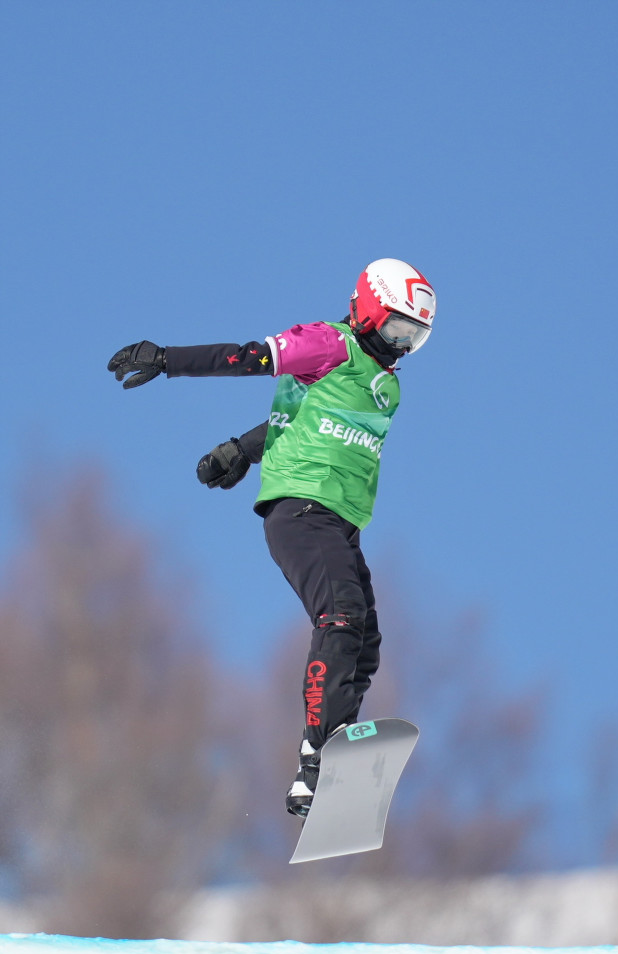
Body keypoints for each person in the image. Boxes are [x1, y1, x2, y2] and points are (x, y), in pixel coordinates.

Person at [108, 258, 437, 817]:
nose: (401, 345)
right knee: (340, 616)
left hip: (339, 520)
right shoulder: (328, 344)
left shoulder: (383, 386)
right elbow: (249, 358)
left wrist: (240, 449)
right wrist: (167, 360)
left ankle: (337, 753)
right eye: (396, 329)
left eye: (414, 337)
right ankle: (318, 755)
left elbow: (303, 419)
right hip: (303, 511)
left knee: (366, 646)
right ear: (370, 309)